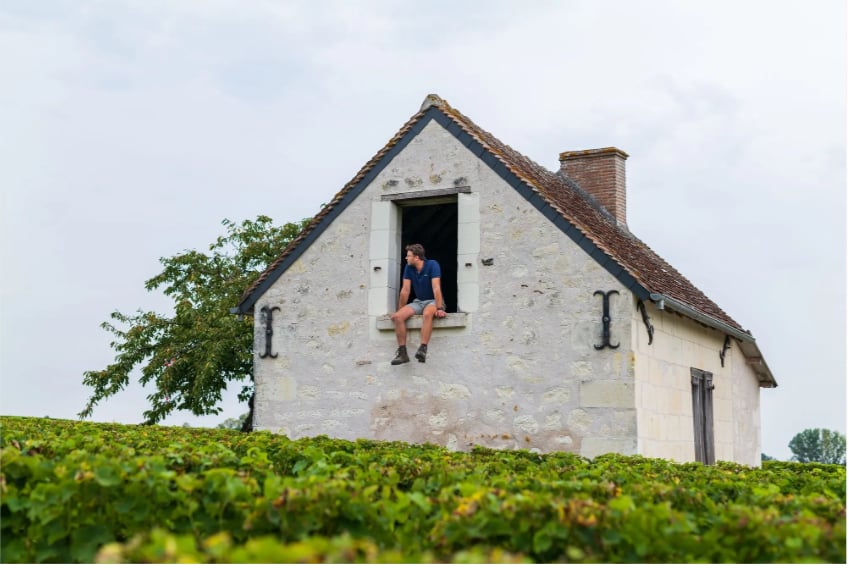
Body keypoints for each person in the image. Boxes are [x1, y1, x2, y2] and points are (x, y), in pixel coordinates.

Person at [390, 243, 446, 364]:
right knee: (397, 317)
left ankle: (423, 349)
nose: (406, 258)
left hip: (433, 301)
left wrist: (439, 307)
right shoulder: (409, 268)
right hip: (419, 301)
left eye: (408, 255)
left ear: (416, 257)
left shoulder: (432, 265)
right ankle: (402, 353)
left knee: (427, 314)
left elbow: (436, 288)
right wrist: (400, 309)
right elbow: (405, 290)